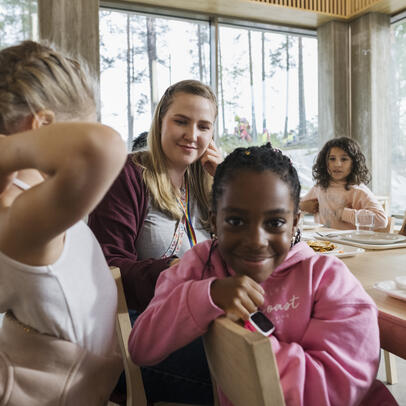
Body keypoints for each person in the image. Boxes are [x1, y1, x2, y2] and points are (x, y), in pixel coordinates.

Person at [128, 144, 381, 406]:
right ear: (213, 222)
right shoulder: (203, 265)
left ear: (295, 223)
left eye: (275, 223)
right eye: (236, 222)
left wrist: (252, 348)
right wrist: (207, 294)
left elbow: (335, 390)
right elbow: (141, 347)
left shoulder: (327, 280)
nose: (256, 241)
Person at [0, 41, 127, 405]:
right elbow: (101, 147)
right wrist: (10, 149)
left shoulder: (38, 206)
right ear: (42, 128)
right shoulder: (20, 214)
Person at [88, 79, 222, 404]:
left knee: (281, 356)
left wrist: (229, 182)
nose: (192, 135)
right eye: (181, 121)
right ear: (160, 120)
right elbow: (108, 266)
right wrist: (178, 270)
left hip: (199, 317)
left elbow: (244, 249)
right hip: (134, 332)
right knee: (249, 376)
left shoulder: (206, 182)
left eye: (203, 126)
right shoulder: (129, 174)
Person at [300, 136, 387, 229]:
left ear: (354, 163)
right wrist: (301, 206)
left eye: (344, 159)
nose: (337, 164)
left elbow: (381, 220)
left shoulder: (358, 191)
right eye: (332, 159)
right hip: (322, 242)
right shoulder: (319, 188)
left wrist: (344, 213)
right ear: (325, 162)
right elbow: (292, 209)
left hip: (350, 242)